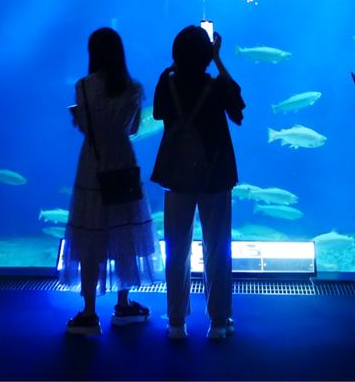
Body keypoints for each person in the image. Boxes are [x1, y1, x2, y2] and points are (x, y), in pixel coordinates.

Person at [150, 25, 245, 341]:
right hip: (214, 173)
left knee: (177, 247)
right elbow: (239, 110)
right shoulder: (215, 86)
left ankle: (176, 321)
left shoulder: (168, 82)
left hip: (177, 173)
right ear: (207, 54)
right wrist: (217, 59)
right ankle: (219, 320)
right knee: (218, 245)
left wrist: (178, 67)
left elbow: (161, 112)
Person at [62, 27, 159, 335]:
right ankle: (124, 303)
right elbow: (131, 129)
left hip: (93, 163)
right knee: (124, 231)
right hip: (122, 161)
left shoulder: (83, 86)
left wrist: (81, 118)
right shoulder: (133, 88)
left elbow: (86, 126)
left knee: (91, 232)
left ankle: (89, 312)